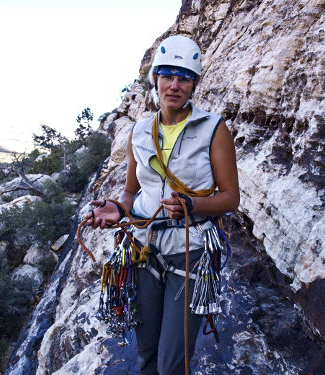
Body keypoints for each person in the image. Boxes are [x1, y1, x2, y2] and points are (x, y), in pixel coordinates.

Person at [85, 35, 239, 375]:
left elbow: (230, 198)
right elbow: (130, 193)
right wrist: (117, 209)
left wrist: (193, 204)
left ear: (194, 83)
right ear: (155, 79)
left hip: (192, 251)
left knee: (172, 363)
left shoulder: (213, 129)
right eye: (167, 75)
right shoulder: (139, 132)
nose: (174, 85)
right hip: (143, 250)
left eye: (184, 77)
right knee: (147, 354)